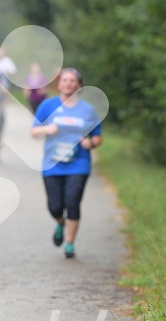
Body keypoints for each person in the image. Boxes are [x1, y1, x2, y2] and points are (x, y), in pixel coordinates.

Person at [30, 68, 102, 258]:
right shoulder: (47, 105)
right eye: (65, 80)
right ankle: (60, 223)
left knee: (72, 202)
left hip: (79, 163)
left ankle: (70, 243)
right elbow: (34, 131)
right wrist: (47, 129)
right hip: (52, 164)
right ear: (59, 84)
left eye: (73, 81)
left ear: (79, 85)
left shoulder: (88, 110)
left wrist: (91, 142)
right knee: (55, 206)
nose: (69, 84)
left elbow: (98, 137)